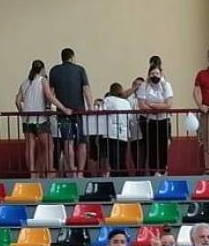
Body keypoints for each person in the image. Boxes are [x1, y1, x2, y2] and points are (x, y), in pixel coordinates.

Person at [16, 59, 67, 177]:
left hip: (27, 120)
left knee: (30, 148)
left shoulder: (25, 83)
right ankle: (49, 171)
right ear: (43, 69)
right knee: (49, 145)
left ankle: (33, 173)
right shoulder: (42, 80)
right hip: (40, 119)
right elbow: (49, 96)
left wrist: (21, 112)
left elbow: (18, 101)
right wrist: (63, 108)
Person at [48, 48, 91, 176]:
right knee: (82, 141)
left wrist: (52, 107)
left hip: (63, 113)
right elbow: (86, 89)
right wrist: (91, 107)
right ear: (72, 57)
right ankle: (80, 172)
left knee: (68, 141)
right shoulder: (80, 70)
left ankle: (72, 170)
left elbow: (51, 93)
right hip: (79, 111)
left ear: (62, 58)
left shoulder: (54, 71)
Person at [136, 64, 173, 175]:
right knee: (151, 146)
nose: (154, 76)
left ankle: (163, 170)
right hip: (149, 120)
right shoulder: (144, 86)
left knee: (163, 145)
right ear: (148, 75)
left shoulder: (166, 85)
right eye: (152, 74)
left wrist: (151, 104)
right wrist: (158, 107)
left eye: (157, 73)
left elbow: (168, 104)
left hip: (163, 120)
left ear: (160, 74)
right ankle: (153, 171)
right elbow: (142, 104)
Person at [99, 83, 132, 177]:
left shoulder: (108, 100)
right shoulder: (126, 102)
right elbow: (130, 117)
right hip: (124, 134)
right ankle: (124, 179)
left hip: (112, 133)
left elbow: (100, 112)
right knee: (122, 159)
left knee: (114, 161)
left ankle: (116, 179)